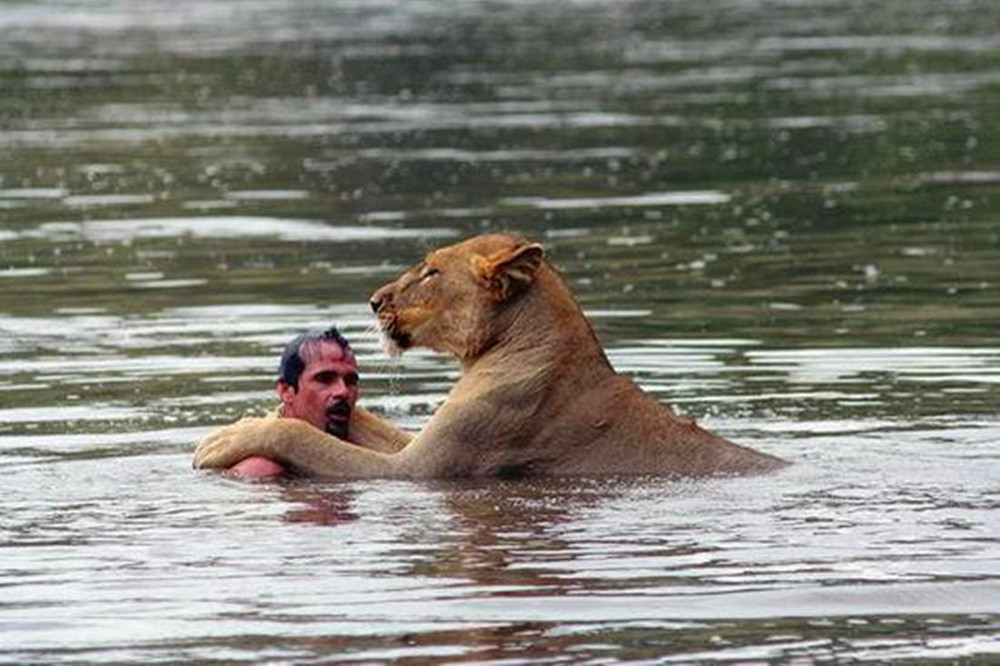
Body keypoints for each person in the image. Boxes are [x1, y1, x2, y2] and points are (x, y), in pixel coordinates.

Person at [219, 327, 410, 479]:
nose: (343, 391)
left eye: (351, 381)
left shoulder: (372, 445)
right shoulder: (262, 470)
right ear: (286, 391)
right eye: (325, 379)